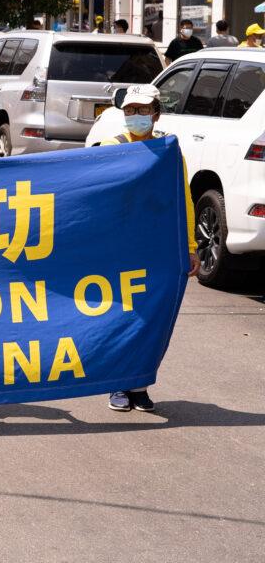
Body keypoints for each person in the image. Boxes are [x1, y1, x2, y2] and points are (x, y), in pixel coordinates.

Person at [99, 84, 198, 413]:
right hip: (118, 249)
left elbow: (182, 198)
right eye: (130, 111)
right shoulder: (111, 148)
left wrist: (191, 246)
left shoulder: (168, 152)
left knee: (150, 318)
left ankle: (139, 385)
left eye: (143, 110)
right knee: (119, 315)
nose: (136, 116)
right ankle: (117, 383)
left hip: (156, 248)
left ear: (156, 113)